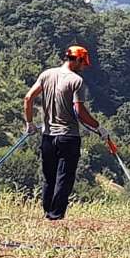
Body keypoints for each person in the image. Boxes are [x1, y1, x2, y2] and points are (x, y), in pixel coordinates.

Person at [23, 45, 109, 220]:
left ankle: (47, 213)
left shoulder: (46, 75)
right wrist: (99, 127)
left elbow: (28, 98)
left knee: (49, 177)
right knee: (64, 178)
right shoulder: (76, 81)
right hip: (68, 137)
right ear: (77, 60)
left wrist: (30, 123)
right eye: (83, 63)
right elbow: (80, 112)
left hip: (47, 136)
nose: (84, 67)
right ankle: (55, 217)